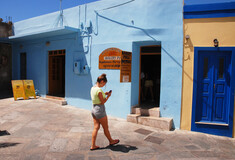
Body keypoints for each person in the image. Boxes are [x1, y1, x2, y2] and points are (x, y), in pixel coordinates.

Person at [90, 73, 120, 150]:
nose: (104, 85)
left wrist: (105, 93)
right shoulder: (99, 90)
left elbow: (97, 96)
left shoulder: (93, 88)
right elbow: (102, 101)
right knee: (105, 127)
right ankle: (111, 141)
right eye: (104, 84)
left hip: (93, 109)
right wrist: (108, 96)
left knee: (96, 127)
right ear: (102, 81)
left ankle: (93, 145)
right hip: (100, 110)